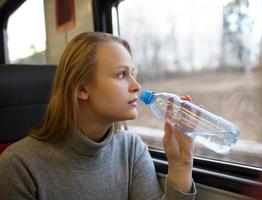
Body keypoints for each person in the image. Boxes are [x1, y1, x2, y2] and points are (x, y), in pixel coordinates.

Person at [0, 32, 196, 200]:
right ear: (82, 88)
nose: (136, 86)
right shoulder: (18, 166)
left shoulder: (131, 150)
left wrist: (181, 165)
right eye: (121, 74)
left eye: (133, 73)